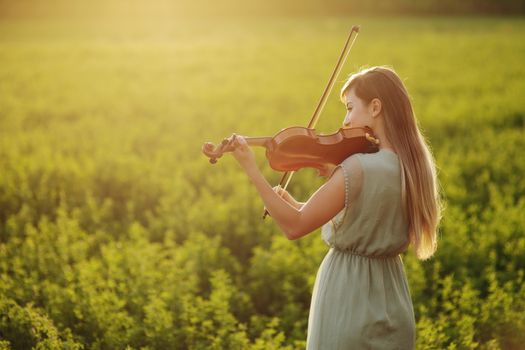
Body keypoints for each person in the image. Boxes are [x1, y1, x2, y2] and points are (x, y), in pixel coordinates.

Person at [229, 65, 443, 349]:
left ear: (376, 107)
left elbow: (295, 226)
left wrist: (252, 170)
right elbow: (363, 219)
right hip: (393, 298)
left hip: (348, 296)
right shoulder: (415, 168)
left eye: (350, 107)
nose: (345, 121)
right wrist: (298, 204)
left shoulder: (357, 167)